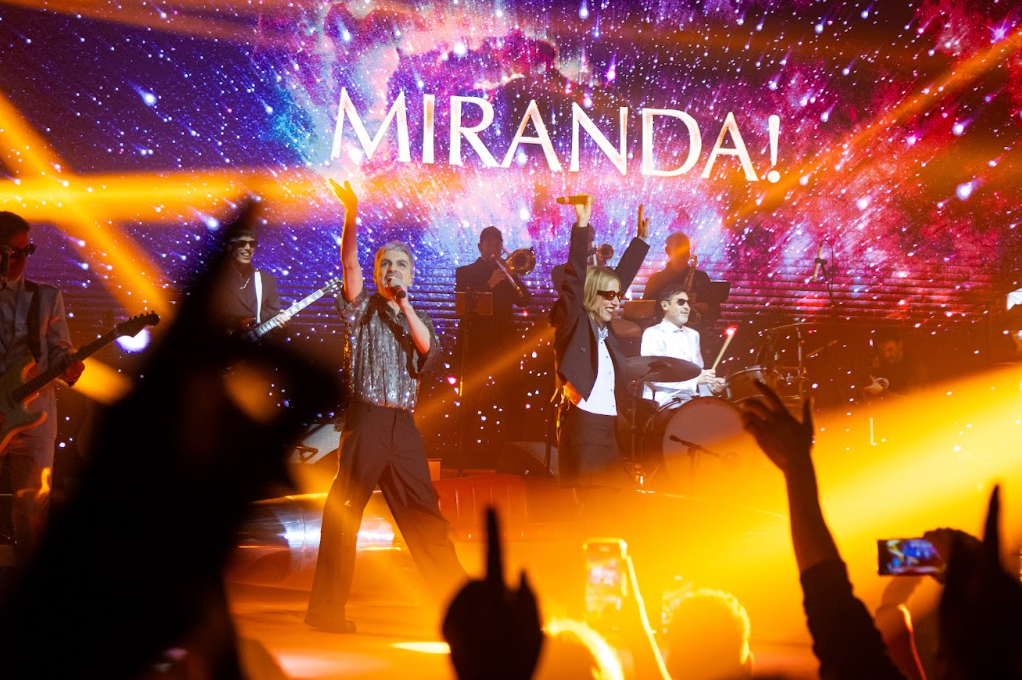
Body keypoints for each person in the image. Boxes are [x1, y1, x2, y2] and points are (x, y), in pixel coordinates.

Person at [306, 179, 466, 634]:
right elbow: (349, 263)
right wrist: (351, 212)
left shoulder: (419, 317)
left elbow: (426, 349)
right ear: (376, 273)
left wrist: (406, 306)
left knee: (425, 515)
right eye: (385, 265)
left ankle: (460, 609)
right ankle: (325, 612)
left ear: (411, 275)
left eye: (400, 265)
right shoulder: (361, 308)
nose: (391, 270)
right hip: (368, 419)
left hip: (403, 426)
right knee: (345, 511)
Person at [0, 211, 84, 574]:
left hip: (37, 416)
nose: (20, 259)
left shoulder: (47, 297)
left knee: (32, 509)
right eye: (11, 251)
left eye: (26, 250)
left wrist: (70, 366)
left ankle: (32, 586)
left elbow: (60, 348)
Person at [551, 196, 649, 488]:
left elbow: (618, 280)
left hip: (609, 427)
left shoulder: (604, 330)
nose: (616, 302)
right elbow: (574, 283)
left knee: (617, 504)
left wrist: (640, 242)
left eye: (618, 296)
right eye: (609, 296)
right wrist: (581, 226)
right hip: (586, 427)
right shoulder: (575, 322)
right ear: (590, 293)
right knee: (592, 505)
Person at [454, 226, 532, 468]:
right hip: (475, 346)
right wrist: (489, 284)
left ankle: (514, 458)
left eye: (498, 243)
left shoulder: (508, 271)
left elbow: (525, 300)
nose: (494, 249)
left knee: (513, 401)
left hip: (504, 346)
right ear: (480, 247)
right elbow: (464, 307)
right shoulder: (465, 272)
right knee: (469, 403)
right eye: (489, 244)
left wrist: (512, 275)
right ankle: (465, 458)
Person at [640, 283, 725, 407]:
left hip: (693, 402)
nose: (687, 307)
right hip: (665, 403)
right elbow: (655, 377)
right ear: (665, 305)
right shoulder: (653, 334)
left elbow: (698, 372)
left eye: (688, 303)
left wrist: (710, 384)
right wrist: (694, 382)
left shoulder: (693, 335)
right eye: (681, 302)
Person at [642, 232, 720, 358]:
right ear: (668, 251)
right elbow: (645, 312)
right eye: (679, 248)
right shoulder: (656, 280)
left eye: (687, 249)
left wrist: (700, 305)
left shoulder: (701, 278)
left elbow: (716, 312)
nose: (684, 253)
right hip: (665, 343)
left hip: (695, 342)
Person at [210, 229, 281, 334]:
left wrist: (280, 324)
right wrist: (236, 325)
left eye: (252, 244)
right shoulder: (216, 280)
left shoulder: (267, 279)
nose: (248, 248)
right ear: (230, 247)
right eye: (241, 243)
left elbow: (274, 318)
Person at [860, 327, 928, 399]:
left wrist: (881, 392)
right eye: (881, 351)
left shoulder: (915, 367)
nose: (886, 355)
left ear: (900, 345)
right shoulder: (882, 365)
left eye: (890, 349)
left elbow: (910, 402)